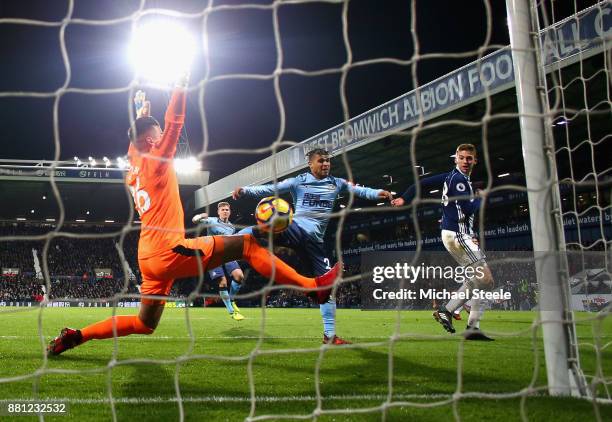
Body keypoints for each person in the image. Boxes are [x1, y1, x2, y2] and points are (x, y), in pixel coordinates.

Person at [47, 78, 339, 356]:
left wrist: (141, 111)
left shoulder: (133, 164)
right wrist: (180, 87)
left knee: (144, 324)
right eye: (158, 135)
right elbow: (175, 122)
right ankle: (312, 289)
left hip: (147, 256)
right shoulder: (155, 162)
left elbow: (139, 134)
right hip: (170, 250)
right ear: (151, 141)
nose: (163, 138)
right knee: (248, 244)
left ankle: (77, 336)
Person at [233, 148, 393, 345]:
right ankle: (231, 243)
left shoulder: (336, 183)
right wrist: (246, 191)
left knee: (328, 287)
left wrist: (378, 193)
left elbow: (359, 190)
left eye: (327, 161)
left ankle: (330, 335)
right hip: (295, 229)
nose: (325, 164)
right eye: (321, 161)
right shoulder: (298, 181)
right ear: (310, 164)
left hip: (315, 242)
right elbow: (271, 189)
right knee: (267, 224)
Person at [392, 143, 494, 341]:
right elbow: (468, 208)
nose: (465, 161)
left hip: (457, 234)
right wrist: (481, 198)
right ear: (455, 158)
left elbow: (420, 184)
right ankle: (447, 310)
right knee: (486, 280)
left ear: (475, 160)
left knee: (481, 281)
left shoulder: (451, 177)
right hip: (457, 235)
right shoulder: (460, 181)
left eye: (469, 158)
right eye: (462, 157)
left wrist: (405, 198)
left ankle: (472, 327)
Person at [192, 202, 246, 321]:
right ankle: (232, 312)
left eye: (227, 209)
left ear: (229, 212)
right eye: (223, 210)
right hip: (213, 256)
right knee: (223, 282)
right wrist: (201, 215)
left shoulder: (232, 227)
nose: (225, 211)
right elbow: (194, 220)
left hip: (227, 255)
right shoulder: (211, 220)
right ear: (218, 212)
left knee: (239, 276)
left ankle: (231, 299)